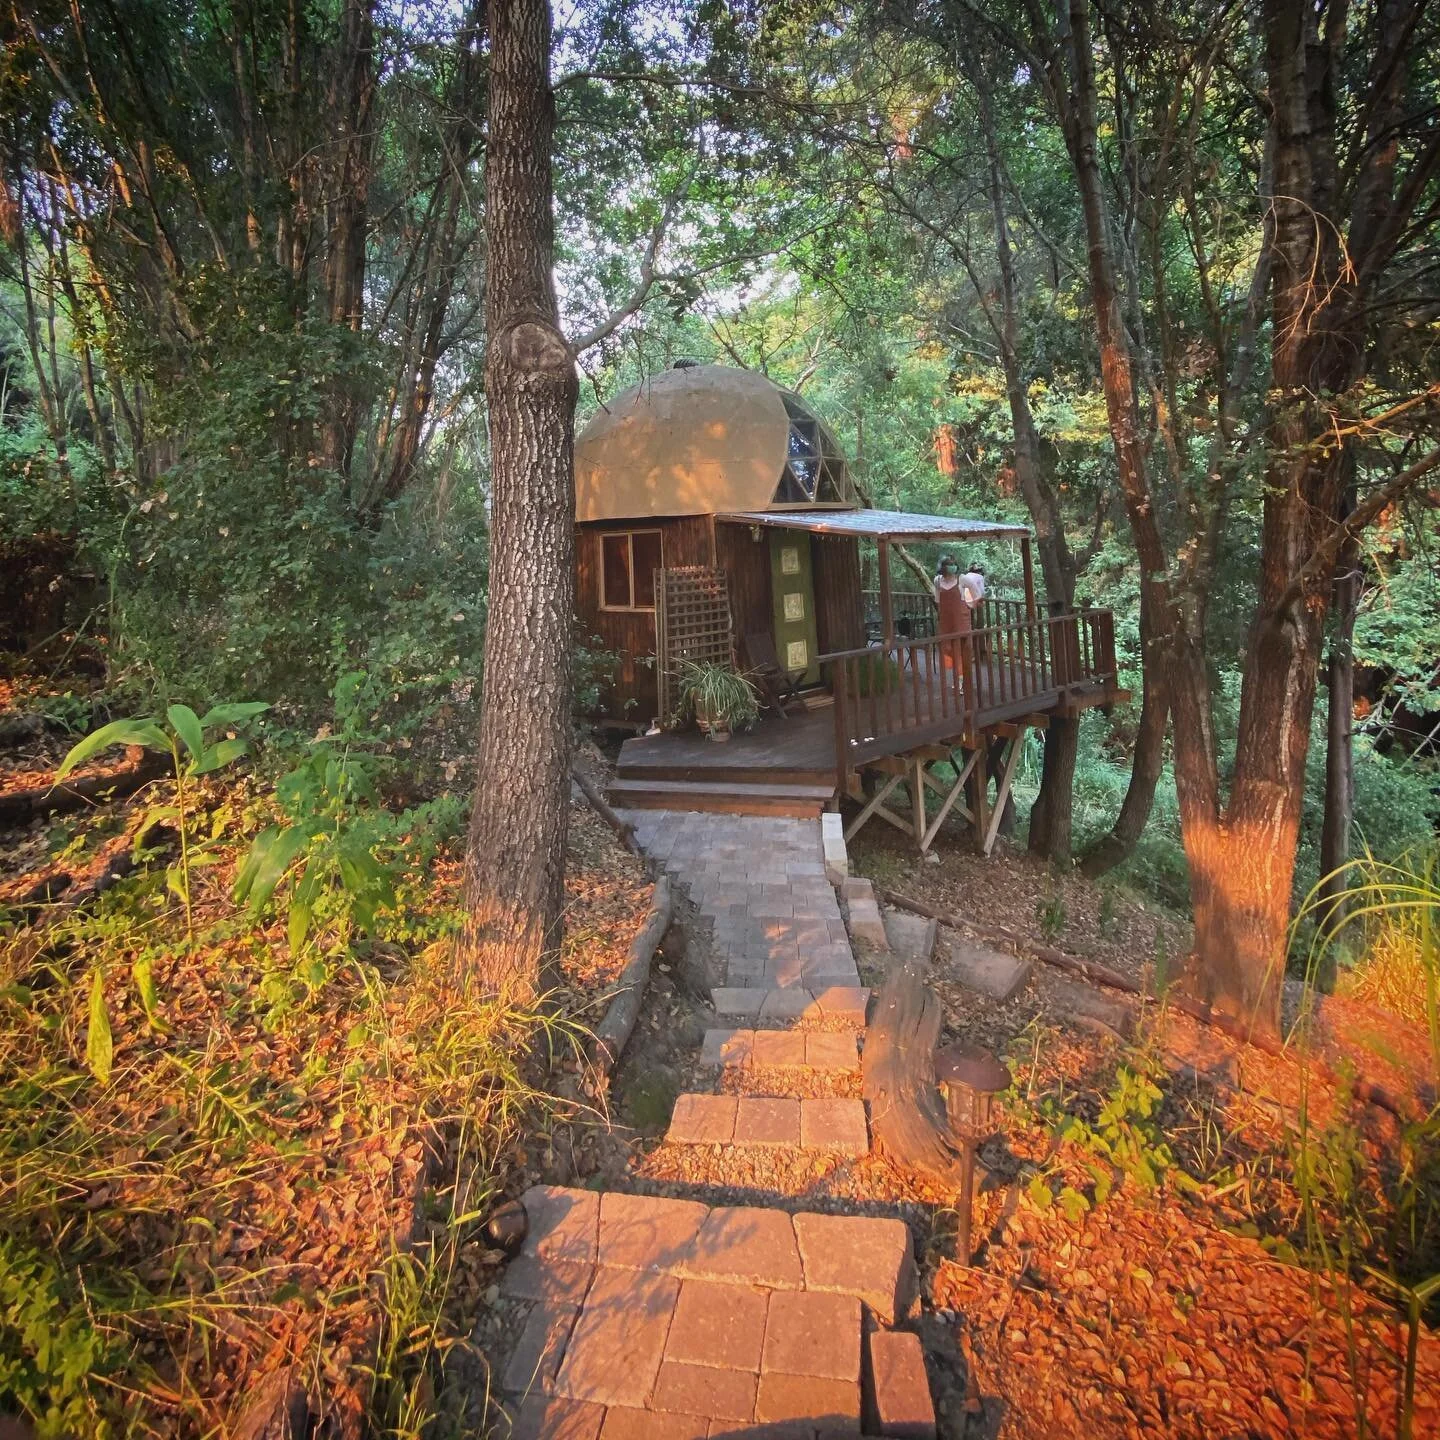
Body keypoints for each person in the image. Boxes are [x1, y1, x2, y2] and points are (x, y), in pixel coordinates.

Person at [933, 554, 970, 685]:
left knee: (960, 649)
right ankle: (958, 678)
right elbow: (937, 600)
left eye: (953, 565)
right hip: (946, 620)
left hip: (960, 620)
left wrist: (971, 605)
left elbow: (975, 594)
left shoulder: (962, 579)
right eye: (949, 565)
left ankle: (961, 680)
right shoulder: (938, 580)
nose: (952, 568)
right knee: (948, 649)